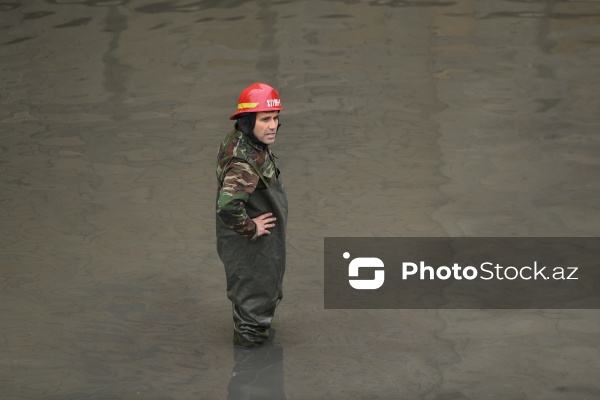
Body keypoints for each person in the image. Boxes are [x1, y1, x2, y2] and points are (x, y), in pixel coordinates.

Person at [215, 82, 288, 348]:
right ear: (247, 121)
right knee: (253, 312)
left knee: (255, 302)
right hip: (251, 247)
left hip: (253, 246)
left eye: (275, 118)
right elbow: (227, 206)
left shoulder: (241, 140)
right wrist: (252, 228)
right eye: (265, 119)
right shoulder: (244, 163)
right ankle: (251, 372)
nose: (272, 125)